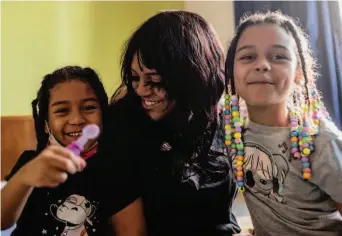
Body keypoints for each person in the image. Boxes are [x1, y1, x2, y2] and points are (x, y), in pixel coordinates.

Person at [103, 10, 241, 236]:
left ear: (192, 76)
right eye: (135, 78)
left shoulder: (218, 119)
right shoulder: (122, 128)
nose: (140, 90)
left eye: (154, 80)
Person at [224, 11, 342, 235]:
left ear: (298, 74)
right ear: (231, 72)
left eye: (278, 57)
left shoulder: (321, 142)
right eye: (248, 57)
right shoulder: (231, 132)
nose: (262, 65)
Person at [1, 66, 146, 235]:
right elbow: (3, 221)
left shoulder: (117, 169)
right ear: (46, 125)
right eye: (62, 110)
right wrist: (25, 177)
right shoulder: (30, 162)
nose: (77, 119)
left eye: (89, 107)